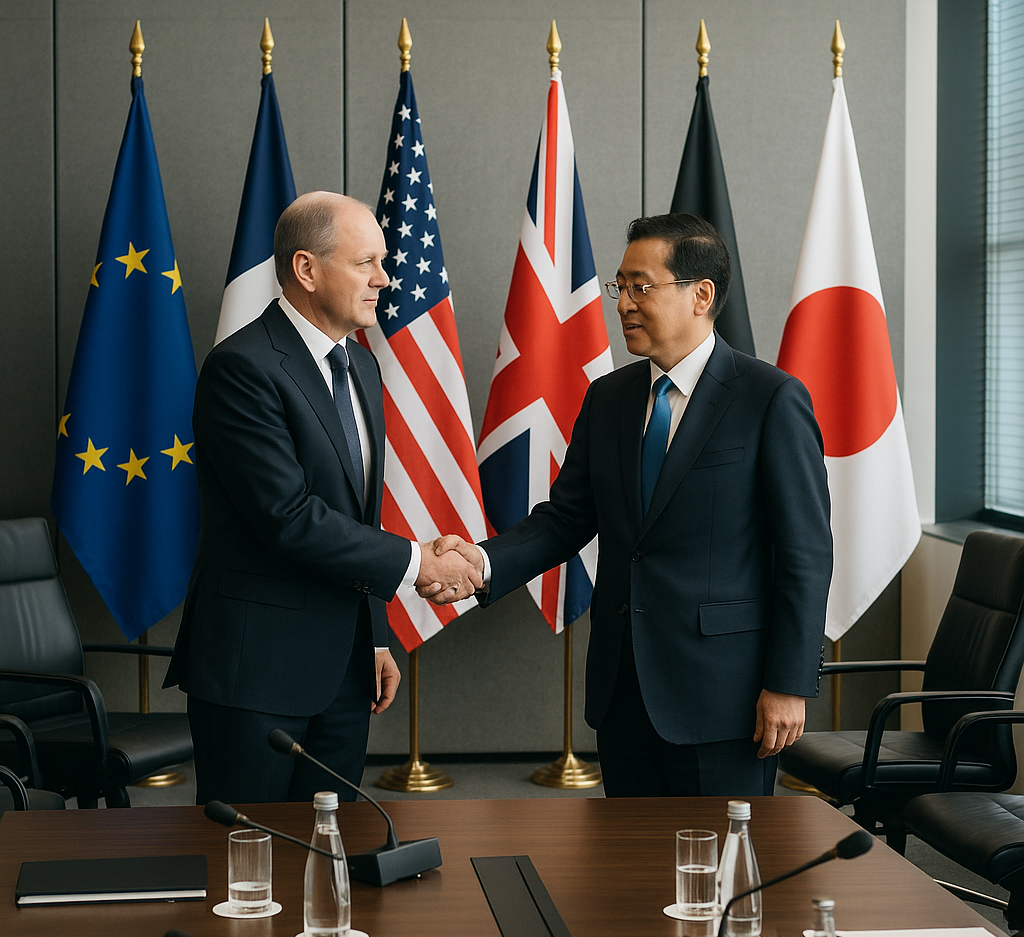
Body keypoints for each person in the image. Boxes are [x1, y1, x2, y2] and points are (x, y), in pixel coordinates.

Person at [428, 213, 832, 797]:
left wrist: (789, 683)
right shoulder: (609, 397)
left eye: (641, 287)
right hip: (624, 688)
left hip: (726, 695)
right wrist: (480, 564)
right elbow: (566, 518)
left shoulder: (769, 399)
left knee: (716, 875)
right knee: (626, 877)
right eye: (621, 287)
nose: (623, 304)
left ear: (701, 296)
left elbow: (805, 552)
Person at [165, 192, 479, 804]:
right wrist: (418, 564)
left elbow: (357, 515)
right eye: (366, 263)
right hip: (256, 675)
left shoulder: (362, 367)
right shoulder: (242, 369)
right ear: (307, 270)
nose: (384, 279)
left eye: (383, 262)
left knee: (330, 850)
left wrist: (376, 636)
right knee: (250, 866)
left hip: (344, 671)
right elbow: (289, 518)